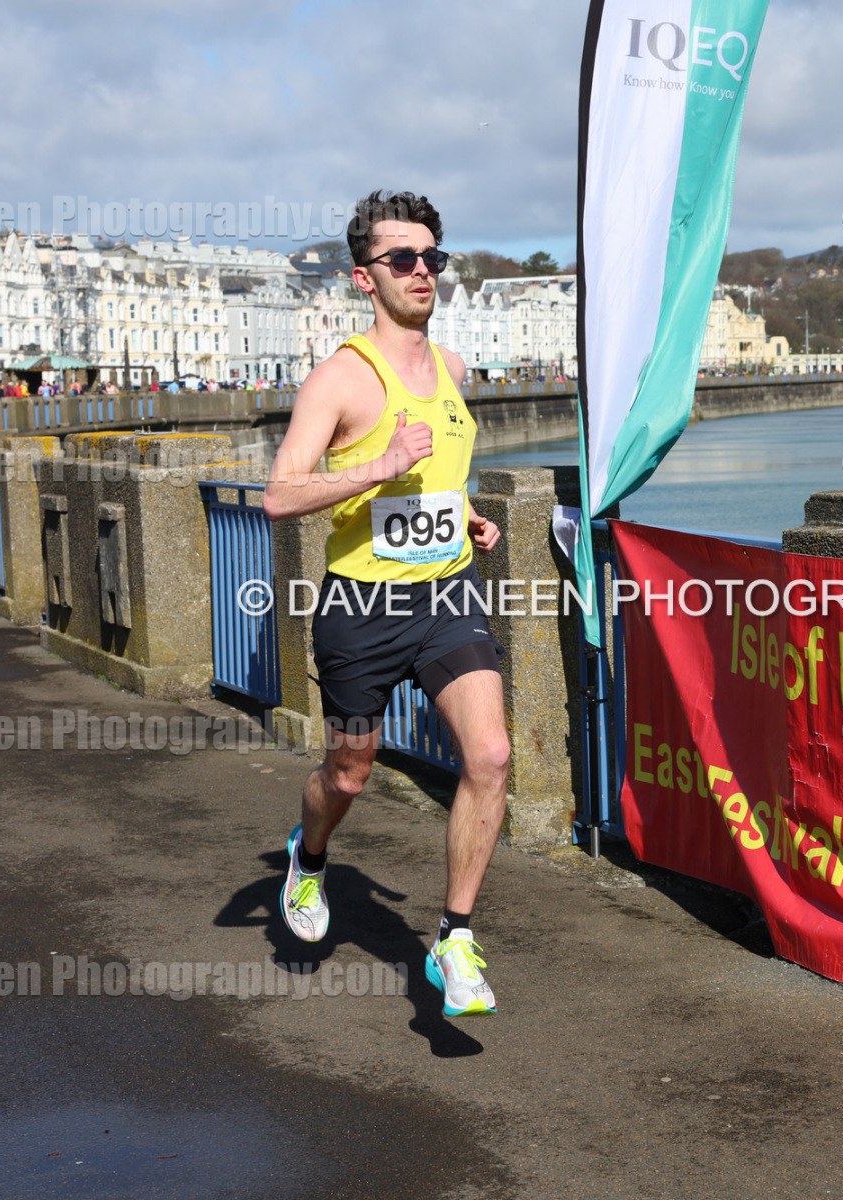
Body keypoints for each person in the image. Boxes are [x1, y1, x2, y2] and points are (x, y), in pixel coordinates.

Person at [261, 190, 507, 1018]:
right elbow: (280, 496)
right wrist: (378, 466)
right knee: (349, 773)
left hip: (446, 594)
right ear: (364, 277)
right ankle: (309, 857)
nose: (422, 271)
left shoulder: (453, 370)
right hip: (360, 609)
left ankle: (454, 939)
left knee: (491, 755)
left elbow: (439, 474)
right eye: (402, 259)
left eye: (433, 257)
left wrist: (464, 513)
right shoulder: (340, 378)